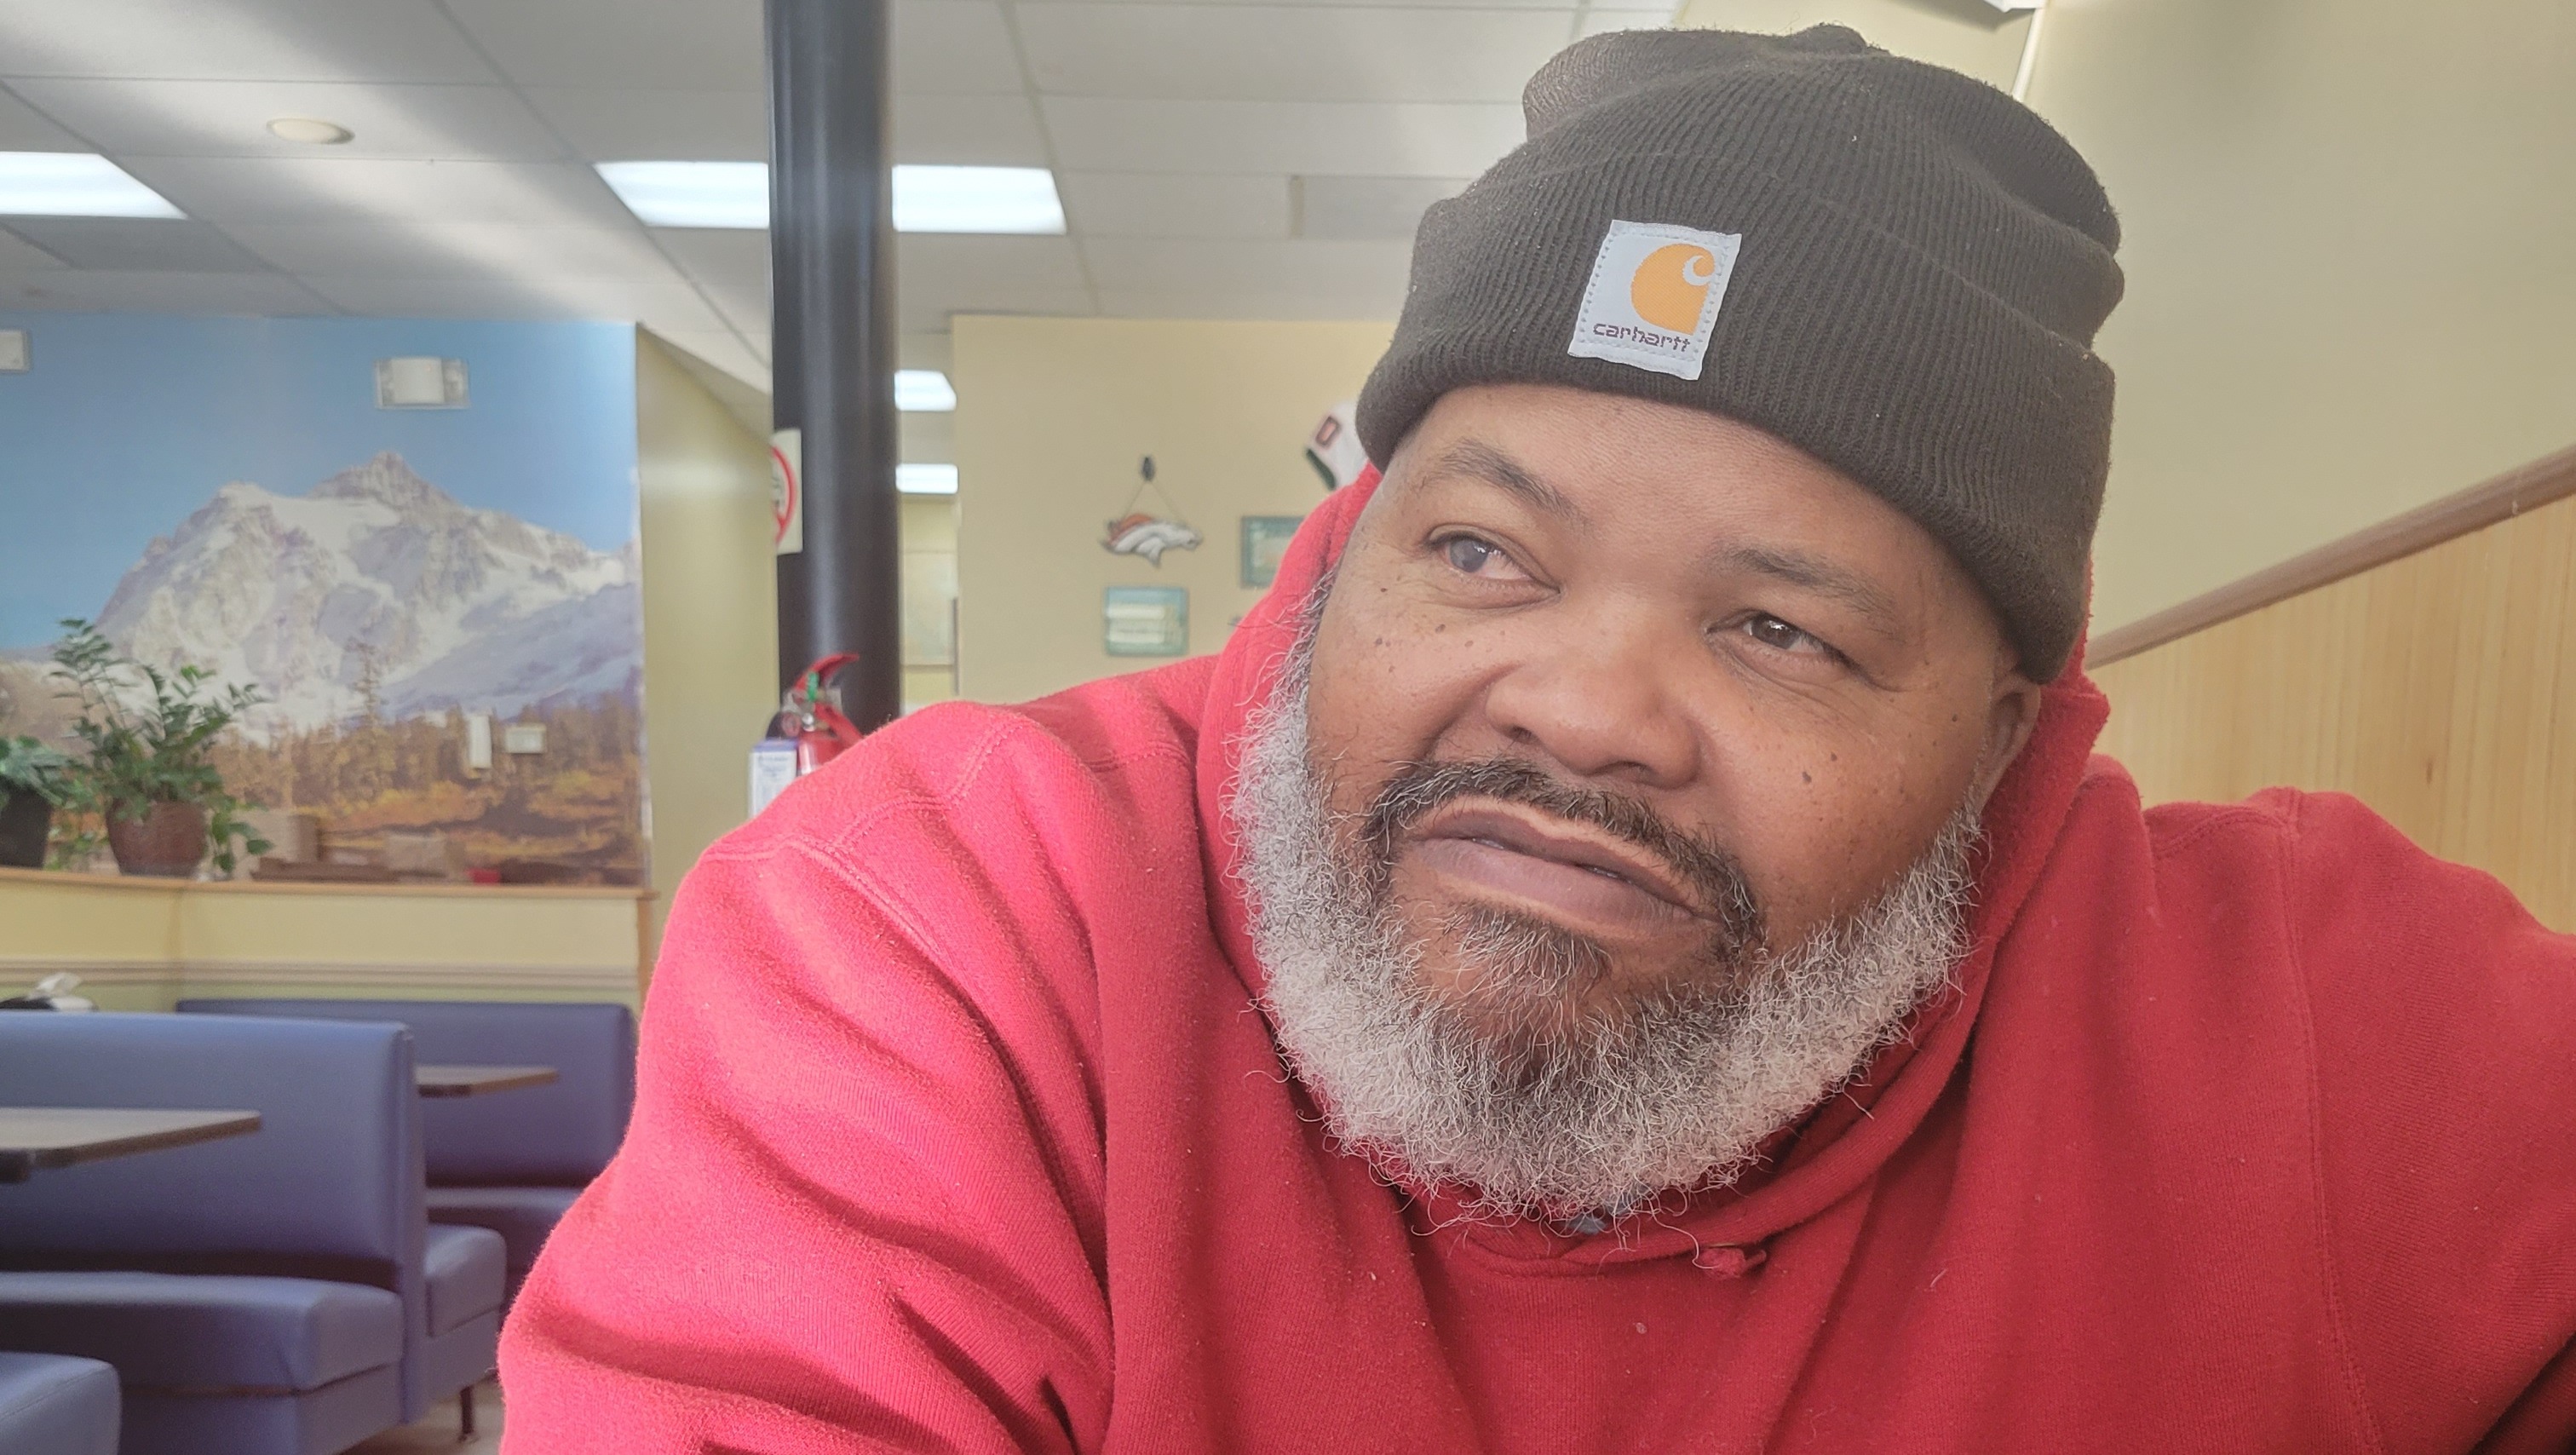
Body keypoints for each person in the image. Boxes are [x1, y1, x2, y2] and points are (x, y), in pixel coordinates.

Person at [500, 26, 2576, 1452]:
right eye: (1485, 552)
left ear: (1999, 741)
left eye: (1779, 628)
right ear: (1345, 557)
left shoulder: (2309, 1022)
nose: (1583, 705)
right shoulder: (951, 912)